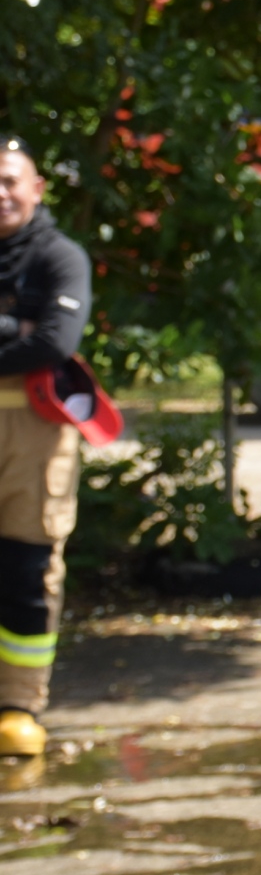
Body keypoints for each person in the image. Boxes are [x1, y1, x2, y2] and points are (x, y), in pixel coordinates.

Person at [0, 136, 92, 759]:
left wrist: (28, 333)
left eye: (11, 181)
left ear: (36, 189)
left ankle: (18, 705)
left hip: (32, 436)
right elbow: (30, 337)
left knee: (26, 570)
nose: (1, 194)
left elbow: (55, 342)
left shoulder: (60, 257)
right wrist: (16, 327)